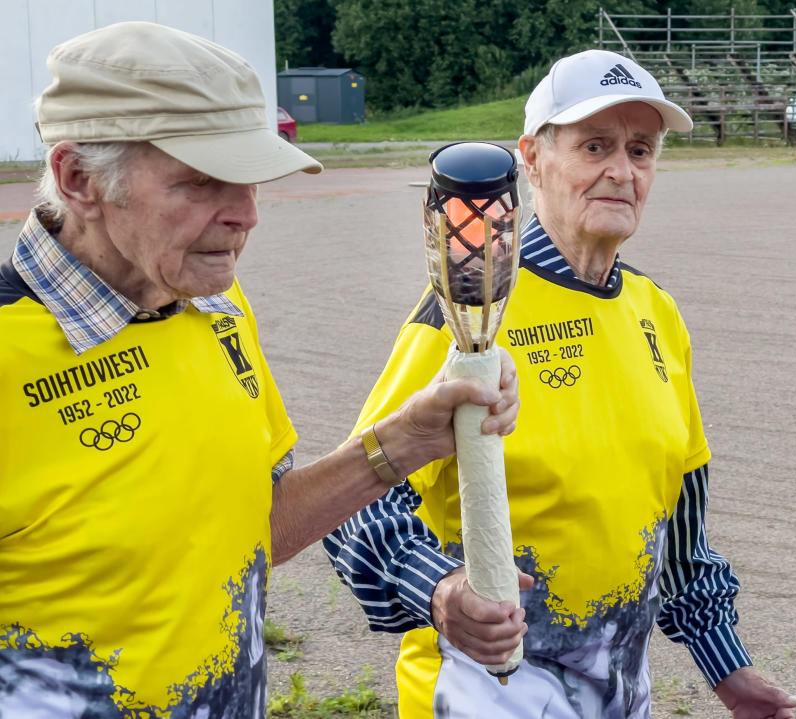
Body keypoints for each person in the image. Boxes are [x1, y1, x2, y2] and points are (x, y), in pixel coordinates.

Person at [0, 22, 519, 718]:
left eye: (250, 181)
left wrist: (408, 438)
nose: (245, 215)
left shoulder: (213, 304)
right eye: (201, 183)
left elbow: (258, 526)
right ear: (79, 179)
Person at [324, 49, 796, 719]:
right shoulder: (468, 317)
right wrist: (440, 593)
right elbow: (350, 506)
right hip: (481, 692)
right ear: (531, 156)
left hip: (618, 695)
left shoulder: (656, 312)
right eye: (594, 146)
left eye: (641, 150)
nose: (621, 171)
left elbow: (680, 530)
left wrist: (727, 667)